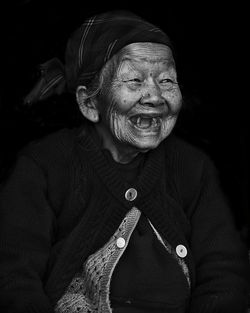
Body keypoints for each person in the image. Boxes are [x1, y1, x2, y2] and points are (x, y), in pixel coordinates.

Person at [0, 10, 249, 313]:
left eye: (167, 80)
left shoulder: (192, 169)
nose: (155, 96)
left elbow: (224, 271)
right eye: (134, 80)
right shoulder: (44, 166)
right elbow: (13, 276)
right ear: (90, 103)